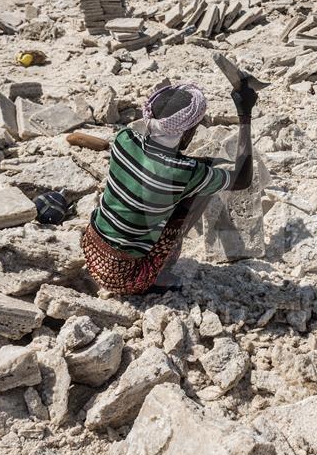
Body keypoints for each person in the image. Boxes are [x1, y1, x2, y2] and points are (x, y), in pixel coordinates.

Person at [82, 81, 257, 295]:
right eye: (195, 128)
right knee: (201, 188)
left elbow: (164, 164)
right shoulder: (186, 173)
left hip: (93, 252)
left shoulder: (124, 140)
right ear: (185, 133)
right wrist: (245, 116)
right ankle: (160, 275)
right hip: (126, 278)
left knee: (193, 178)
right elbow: (243, 179)